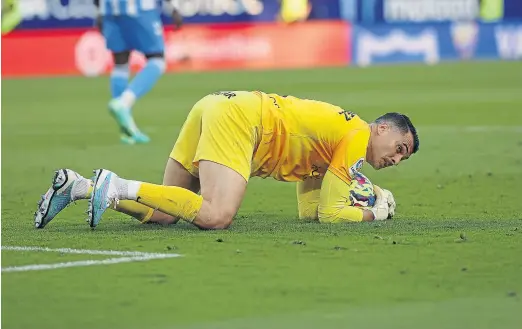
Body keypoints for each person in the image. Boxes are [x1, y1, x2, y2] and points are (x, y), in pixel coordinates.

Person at [34, 91, 419, 230]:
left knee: (169, 211)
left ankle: (80, 186)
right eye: (400, 148)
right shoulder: (356, 137)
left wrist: (363, 195)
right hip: (242, 121)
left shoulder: (339, 139)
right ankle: (115, 185)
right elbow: (333, 216)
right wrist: (375, 214)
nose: (397, 160)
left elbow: (311, 212)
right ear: (381, 130)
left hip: (216, 105)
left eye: (404, 158)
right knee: (216, 216)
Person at [94, 0, 183, 144]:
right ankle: (123, 102)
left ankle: (127, 131)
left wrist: (98, 11)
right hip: (139, 8)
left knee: (120, 63)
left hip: (109, 9)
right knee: (157, 60)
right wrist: (173, 6)